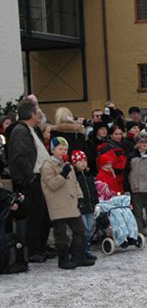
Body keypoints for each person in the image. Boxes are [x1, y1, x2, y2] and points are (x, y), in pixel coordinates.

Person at [7, 98, 53, 263]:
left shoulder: (29, 129)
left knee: (43, 216)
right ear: (32, 114)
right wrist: (30, 177)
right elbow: (21, 156)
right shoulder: (20, 131)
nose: (39, 115)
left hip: (38, 178)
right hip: (31, 180)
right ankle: (34, 250)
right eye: (37, 111)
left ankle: (41, 247)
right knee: (35, 217)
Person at [40, 137, 94, 270]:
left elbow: (75, 183)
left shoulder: (67, 165)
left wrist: (80, 197)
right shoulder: (48, 165)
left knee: (80, 230)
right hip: (58, 204)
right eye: (60, 149)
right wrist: (63, 175)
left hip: (70, 203)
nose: (62, 151)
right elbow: (52, 184)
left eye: (65, 149)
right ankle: (63, 260)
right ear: (53, 150)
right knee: (61, 234)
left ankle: (78, 256)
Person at [71, 150, 99, 261]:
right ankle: (82, 250)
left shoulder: (89, 175)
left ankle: (86, 248)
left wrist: (96, 202)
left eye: (84, 160)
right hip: (81, 207)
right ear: (74, 163)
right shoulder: (75, 177)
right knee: (84, 229)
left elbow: (93, 190)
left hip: (91, 206)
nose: (82, 163)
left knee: (90, 229)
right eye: (79, 161)